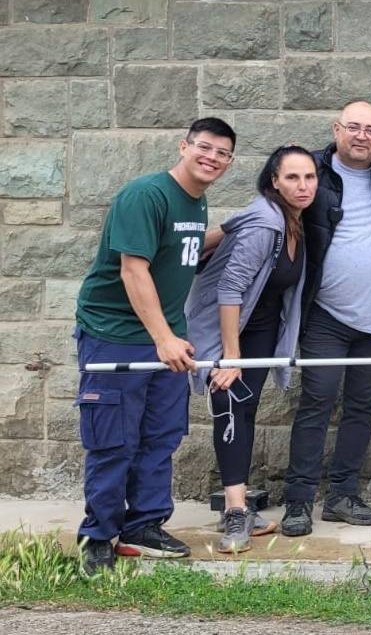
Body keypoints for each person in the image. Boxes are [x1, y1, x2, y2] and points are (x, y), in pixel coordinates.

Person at [73, 117, 236, 574]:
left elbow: (178, 251)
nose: (212, 158)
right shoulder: (145, 195)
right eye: (204, 147)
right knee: (114, 441)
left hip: (168, 338)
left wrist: (229, 231)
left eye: (222, 153)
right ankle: (97, 536)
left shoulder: (195, 201)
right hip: (116, 335)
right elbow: (133, 269)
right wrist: (162, 338)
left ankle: (143, 525)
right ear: (183, 146)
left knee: (160, 436)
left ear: (229, 162)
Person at [279, 101, 371, 537]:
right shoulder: (312, 171)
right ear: (336, 129)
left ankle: (342, 496)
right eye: (353, 127)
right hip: (326, 315)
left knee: (361, 408)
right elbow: (271, 200)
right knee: (316, 402)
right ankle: (298, 501)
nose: (362, 136)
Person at [185, 145, 316, 553]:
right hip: (229, 328)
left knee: (244, 408)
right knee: (230, 405)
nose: (303, 185)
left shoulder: (292, 220)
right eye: (292, 177)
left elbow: (231, 229)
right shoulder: (266, 222)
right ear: (274, 181)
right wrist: (231, 355)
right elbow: (230, 289)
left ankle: (239, 506)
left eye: (309, 177)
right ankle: (236, 512)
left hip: (260, 328)